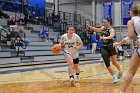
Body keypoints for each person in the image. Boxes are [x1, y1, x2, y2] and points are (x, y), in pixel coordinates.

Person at [86, 18, 123, 84]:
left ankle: (120, 70)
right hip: (104, 48)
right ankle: (114, 77)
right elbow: (97, 30)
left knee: (114, 62)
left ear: (109, 22)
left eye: (105, 22)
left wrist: (103, 38)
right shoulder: (103, 28)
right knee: (107, 63)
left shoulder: (111, 29)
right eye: (103, 22)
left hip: (111, 47)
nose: (103, 23)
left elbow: (111, 36)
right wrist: (90, 26)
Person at [113, 6, 140, 93]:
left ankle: (122, 92)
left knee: (131, 72)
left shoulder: (131, 21)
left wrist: (119, 43)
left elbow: (131, 36)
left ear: (131, 12)